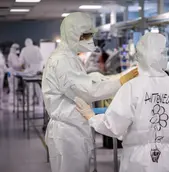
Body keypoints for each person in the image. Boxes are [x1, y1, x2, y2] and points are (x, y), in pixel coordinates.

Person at [75, 33, 169, 172]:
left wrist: (92, 117)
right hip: (167, 160)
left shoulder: (132, 87)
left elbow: (113, 126)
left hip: (137, 161)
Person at [42, 12, 138, 172]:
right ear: (73, 34)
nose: (89, 40)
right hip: (67, 134)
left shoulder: (70, 57)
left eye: (90, 35)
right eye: (85, 36)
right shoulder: (61, 60)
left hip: (75, 128)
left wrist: (119, 77)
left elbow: (85, 81)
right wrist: (120, 81)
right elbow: (87, 90)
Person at [20, 38, 43, 105]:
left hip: (29, 71)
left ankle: (29, 102)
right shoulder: (36, 48)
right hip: (37, 71)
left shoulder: (24, 50)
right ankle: (40, 101)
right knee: (37, 86)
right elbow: (41, 58)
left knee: (29, 87)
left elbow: (21, 61)